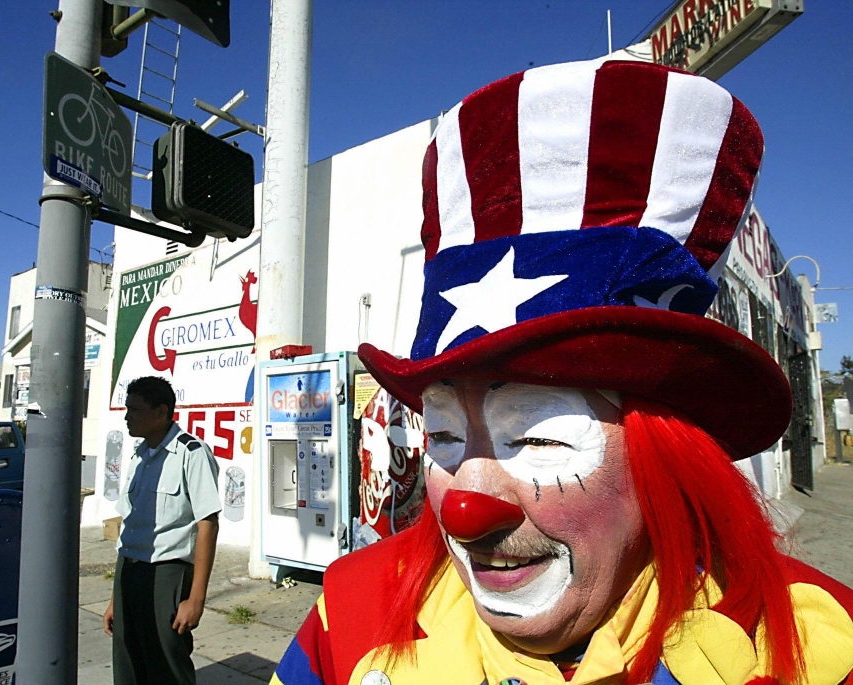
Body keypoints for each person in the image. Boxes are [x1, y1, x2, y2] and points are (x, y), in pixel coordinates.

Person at [271, 59, 853, 685]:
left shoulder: (814, 651)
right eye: (441, 437)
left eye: (540, 438)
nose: (465, 508)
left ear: (666, 455)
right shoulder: (350, 621)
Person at [103, 376, 221, 685]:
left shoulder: (191, 454)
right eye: (126, 409)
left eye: (135, 409)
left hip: (167, 574)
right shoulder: (138, 457)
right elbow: (129, 527)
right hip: (130, 571)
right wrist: (116, 598)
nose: (128, 417)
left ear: (161, 412)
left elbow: (207, 523)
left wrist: (196, 599)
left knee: (166, 666)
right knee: (129, 663)